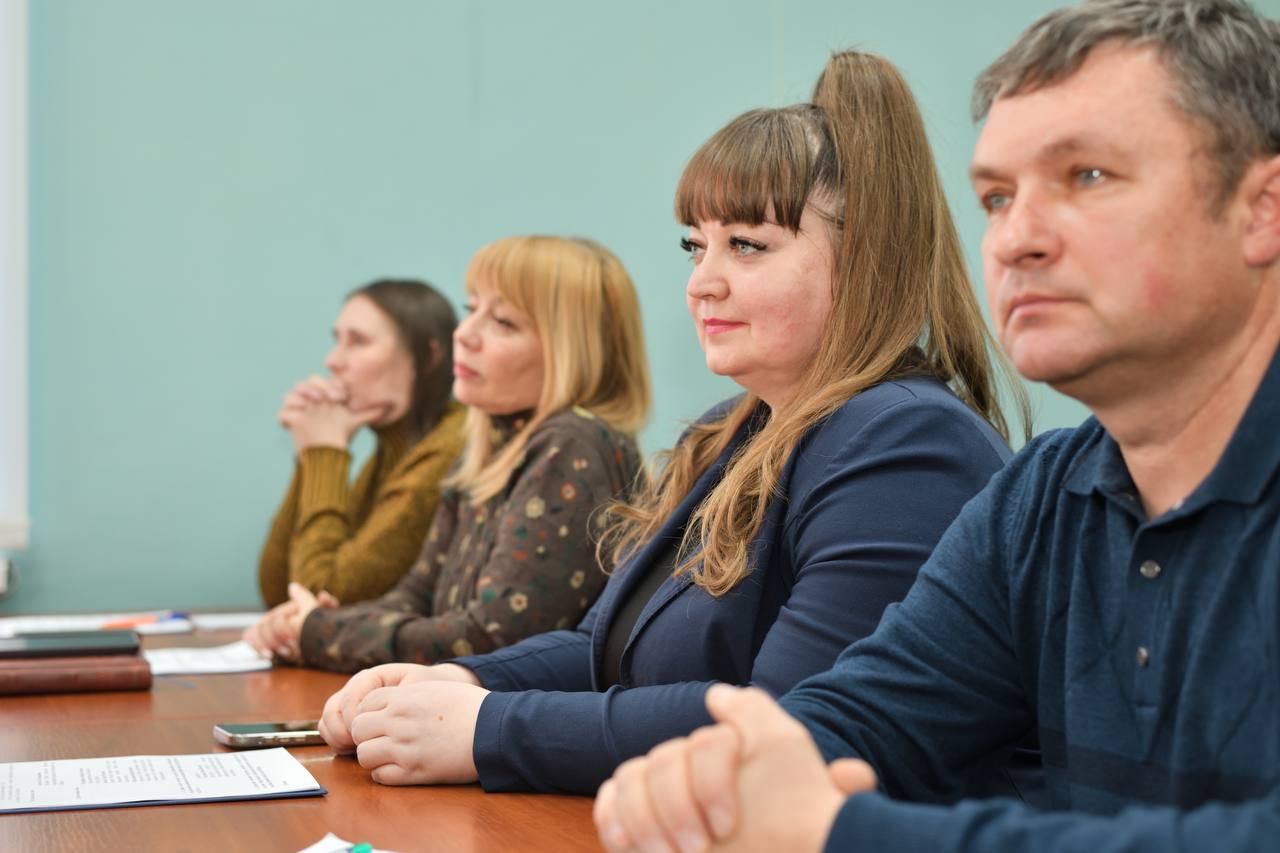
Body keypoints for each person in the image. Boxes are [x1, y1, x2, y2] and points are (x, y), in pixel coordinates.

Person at [592, 1, 1280, 851]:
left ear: (1262, 209)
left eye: (1089, 176)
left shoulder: (932, 448)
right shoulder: (1042, 497)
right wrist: (715, 781)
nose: (1016, 238)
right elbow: (867, 714)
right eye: (997, 197)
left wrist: (837, 828)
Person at [314, 50, 1030, 796]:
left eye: (746, 245)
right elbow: (603, 650)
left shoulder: (907, 443)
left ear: (864, 261)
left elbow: (787, 727)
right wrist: (452, 680)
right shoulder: (733, 429)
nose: (701, 283)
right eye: (696, 245)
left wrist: (488, 725)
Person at [246, 235, 651, 669]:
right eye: (470, 309)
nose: (464, 333)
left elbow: (489, 636)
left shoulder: (569, 445)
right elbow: (418, 595)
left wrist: (322, 631)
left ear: (573, 351)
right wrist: (315, 623)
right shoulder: (491, 445)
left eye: (503, 322)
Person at [256, 279, 466, 612]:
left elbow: (324, 596)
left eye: (358, 342)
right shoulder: (394, 449)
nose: (332, 361)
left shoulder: (449, 447)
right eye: (337, 340)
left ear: (428, 357)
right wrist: (312, 453)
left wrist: (324, 454)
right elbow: (279, 591)